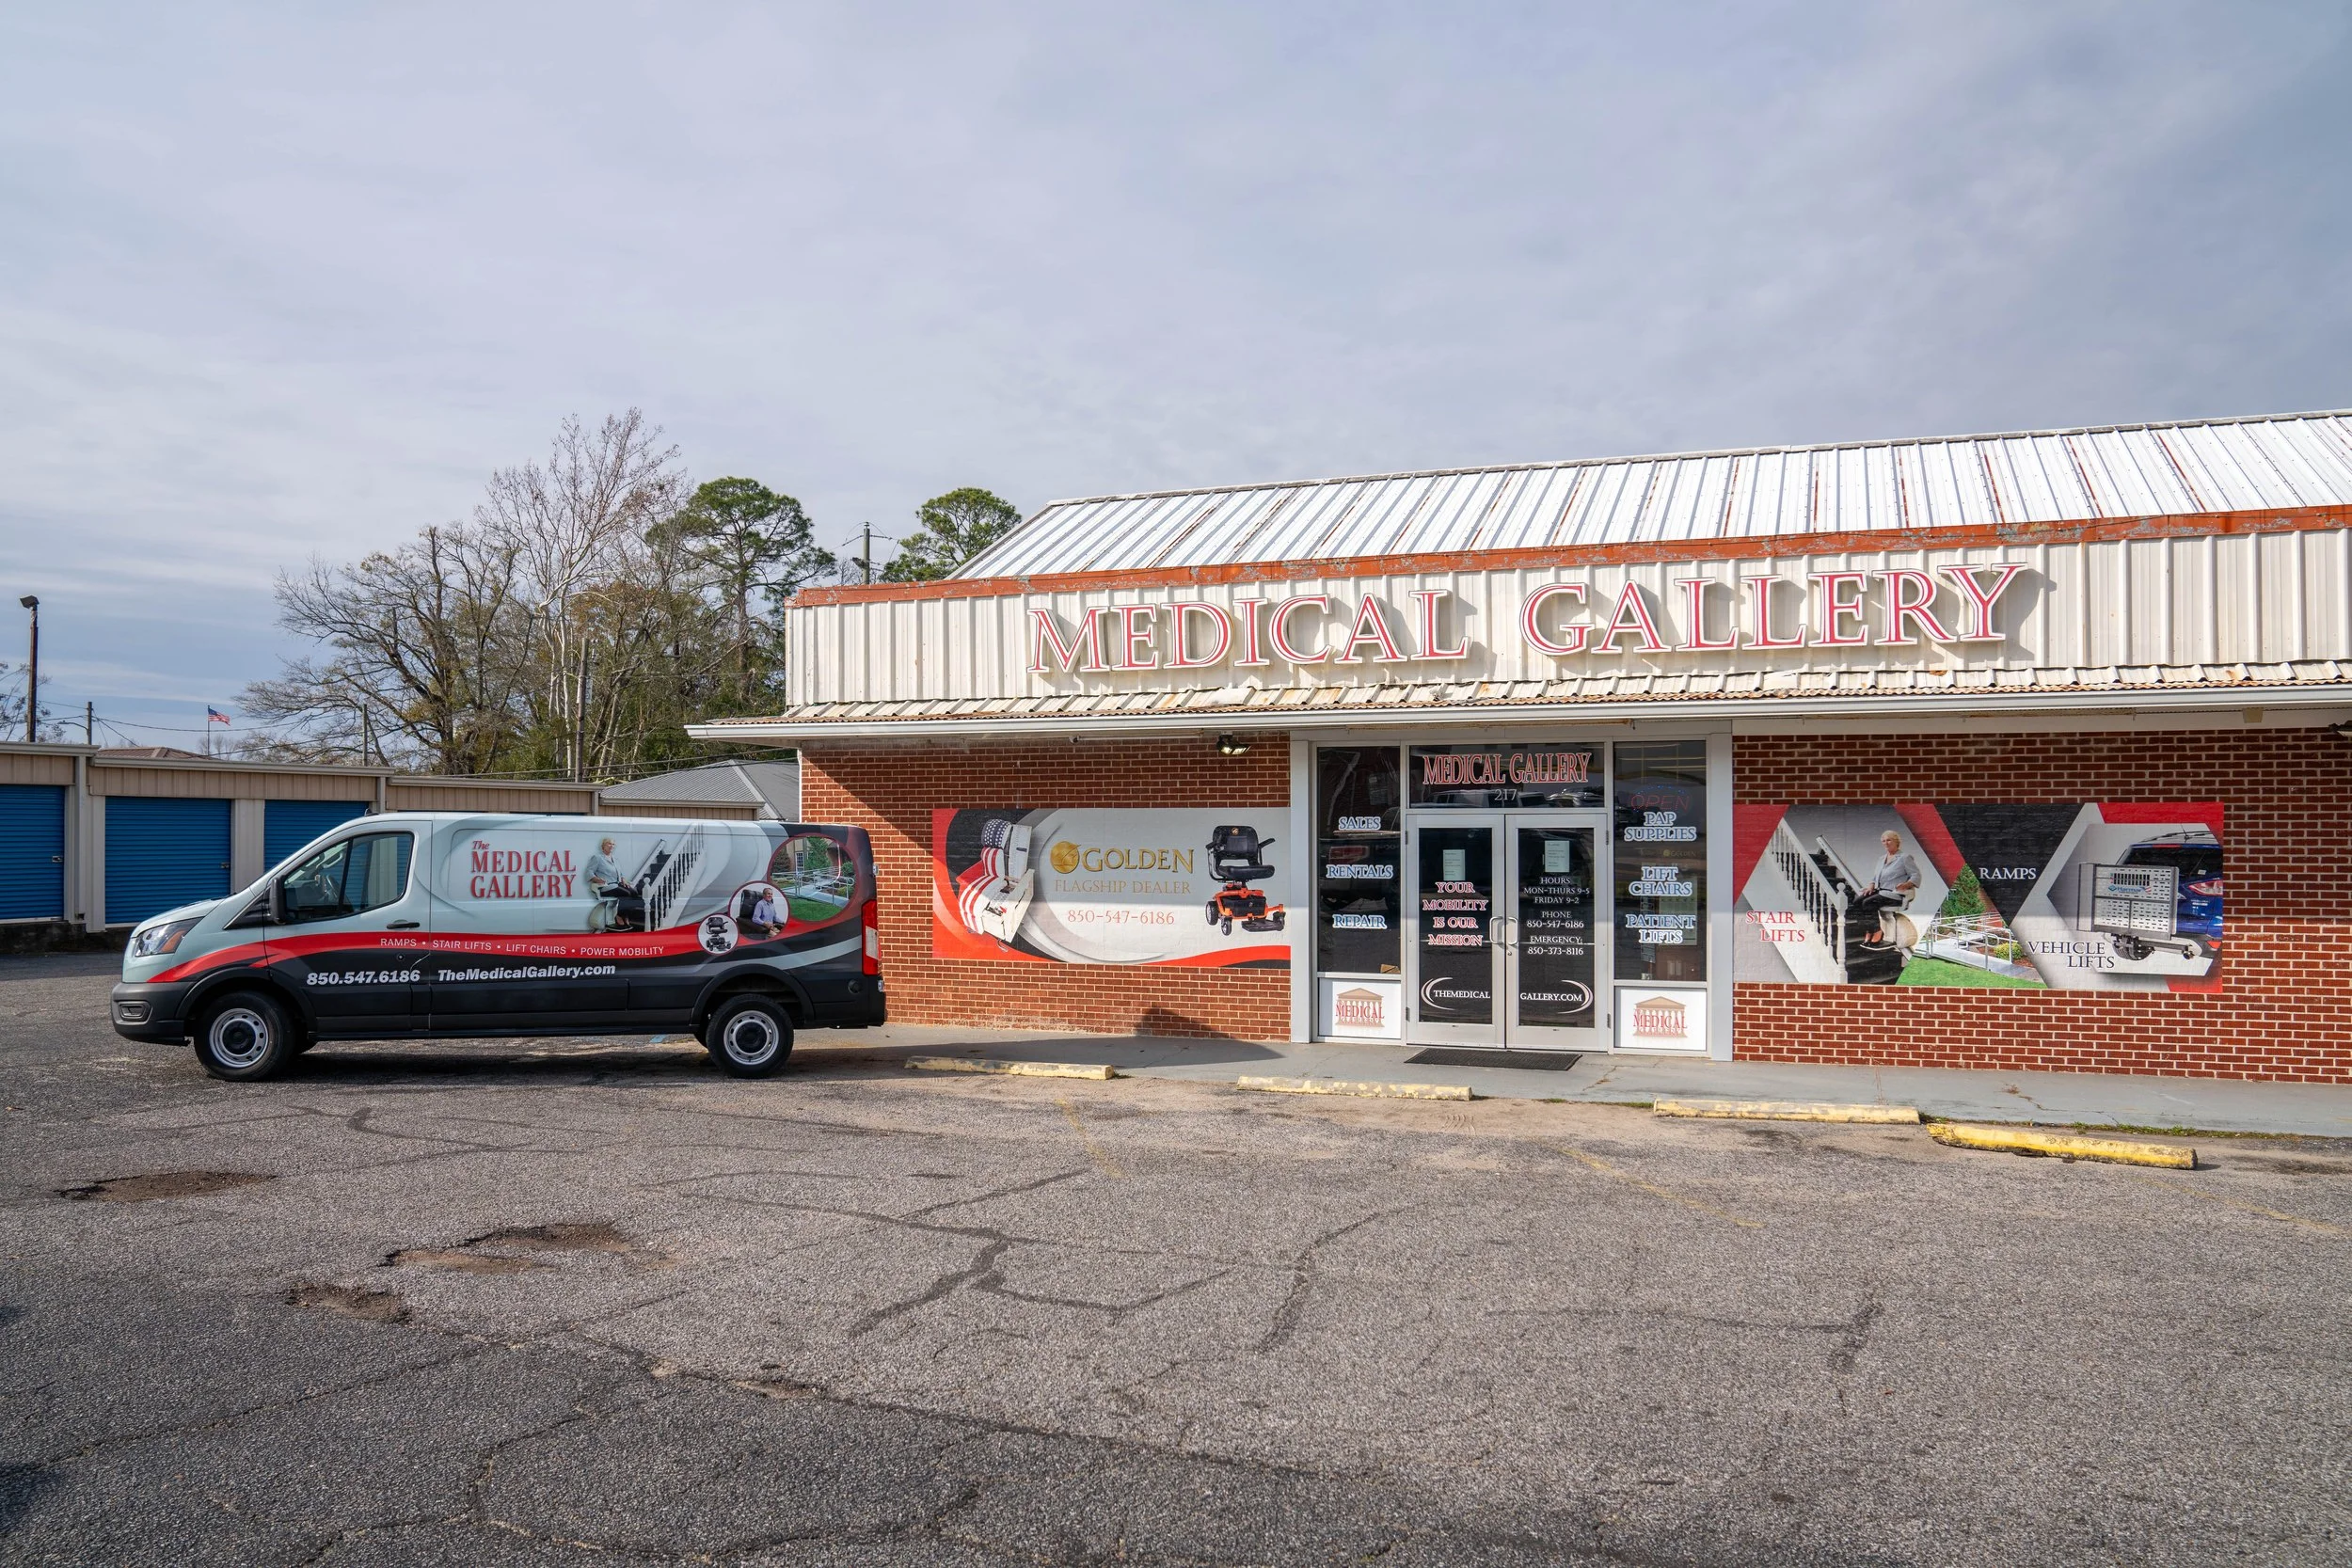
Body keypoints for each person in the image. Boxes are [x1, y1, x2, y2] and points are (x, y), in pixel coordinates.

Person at [1854, 830, 1920, 949]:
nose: (1886, 843)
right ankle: (1870, 931)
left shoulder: (1904, 857)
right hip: (1881, 892)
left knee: (1867, 903)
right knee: (1857, 902)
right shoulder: (1881, 859)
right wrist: (1870, 887)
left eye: (1889, 840)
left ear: (1896, 841)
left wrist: (1906, 885)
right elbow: (1875, 878)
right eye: (1883, 841)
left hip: (1894, 894)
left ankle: (1878, 931)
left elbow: (1916, 875)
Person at [585, 837, 645, 931]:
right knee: (626, 893)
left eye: (613, 844)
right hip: (606, 886)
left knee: (634, 892)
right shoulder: (598, 858)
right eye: (609, 844)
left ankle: (624, 915)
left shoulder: (615, 859)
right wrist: (596, 879)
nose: (611, 846)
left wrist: (624, 880)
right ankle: (619, 916)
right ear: (603, 846)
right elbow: (589, 872)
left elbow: (620, 874)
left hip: (617, 884)